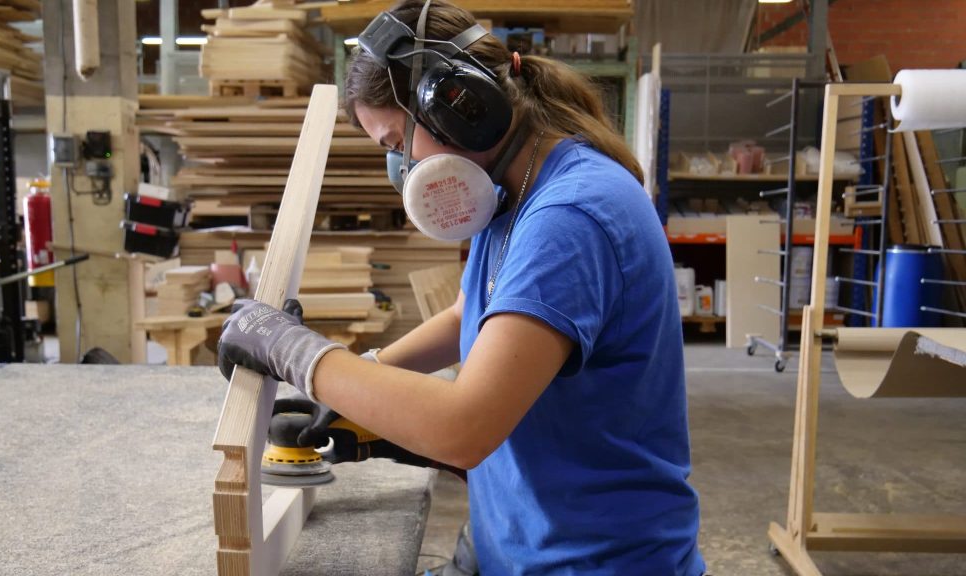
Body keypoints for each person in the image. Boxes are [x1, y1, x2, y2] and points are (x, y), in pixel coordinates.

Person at [218, 1, 706, 574]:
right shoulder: (515, 192)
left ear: (461, 107)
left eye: (398, 142)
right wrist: (359, 386)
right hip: (526, 545)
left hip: (591, 561)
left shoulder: (570, 218)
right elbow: (468, 315)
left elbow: (464, 427)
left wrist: (296, 352)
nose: (400, 169)